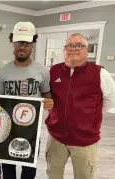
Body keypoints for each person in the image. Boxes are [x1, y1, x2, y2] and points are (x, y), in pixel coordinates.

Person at [45, 33, 115, 179]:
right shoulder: (53, 71)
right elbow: (47, 96)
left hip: (85, 140)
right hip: (56, 136)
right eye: (69, 46)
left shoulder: (100, 73)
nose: (73, 49)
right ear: (64, 50)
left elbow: (109, 99)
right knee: (53, 173)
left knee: (84, 176)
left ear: (86, 50)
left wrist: (89, 116)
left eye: (78, 45)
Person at [0, 21, 54, 179]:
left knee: (29, 170)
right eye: (18, 42)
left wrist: (49, 103)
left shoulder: (42, 71)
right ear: (13, 44)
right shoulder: (3, 72)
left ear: (33, 44)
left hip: (32, 130)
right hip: (8, 129)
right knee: (8, 170)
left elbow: (47, 95)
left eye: (27, 43)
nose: (22, 47)